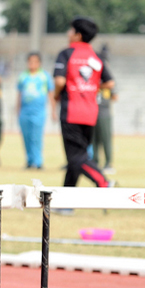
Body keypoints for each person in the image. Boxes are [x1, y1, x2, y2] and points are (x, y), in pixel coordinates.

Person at [53, 17, 114, 189]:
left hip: (71, 111)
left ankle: (103, 181)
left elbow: (59, 81)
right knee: (78, 156)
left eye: (71, 30)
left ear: (78, 35)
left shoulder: (66, 53)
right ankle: (66, 203)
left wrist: (57, 95)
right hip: (90, 112)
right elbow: (110, 83)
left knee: (76, 158)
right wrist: (92, 86)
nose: (68, 33)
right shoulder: (96, 56)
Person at [17, 52, 54, 170]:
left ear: (39, 63)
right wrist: (17, 110)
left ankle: (38, 162)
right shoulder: (23, 76)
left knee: (36, 137)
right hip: (25, 111)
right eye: (30, 61)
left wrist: (53, 110)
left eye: (35, 61)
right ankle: (29, 161)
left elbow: (51, 94)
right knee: (26, 136)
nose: (32, 64)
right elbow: (19, 94)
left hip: (39, 111)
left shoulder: (44, 76)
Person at [90, 44, 116, 174]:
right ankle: (94, 161)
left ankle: (108, 163)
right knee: (93, 139)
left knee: (106, 139)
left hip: (104, 112)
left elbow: (115, 95)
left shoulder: (109, 79)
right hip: (93, 111)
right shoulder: (92, 77)